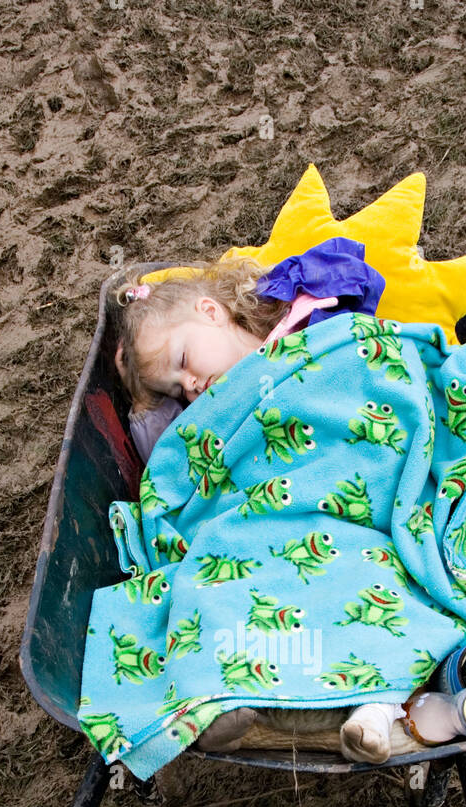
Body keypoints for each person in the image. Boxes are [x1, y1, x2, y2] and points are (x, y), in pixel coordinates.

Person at [110, 239, 411, 764]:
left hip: (354, 494)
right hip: (267, 514)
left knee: (380, 575)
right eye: (177, 388)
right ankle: (226, 690)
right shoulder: (216, 406)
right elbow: (196, 470)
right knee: (223, 573)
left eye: (184, 361)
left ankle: (379, 706)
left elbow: (361, 322)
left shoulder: (304, 327)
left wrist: (295, 285)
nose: (192, 384)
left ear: (211, 311)